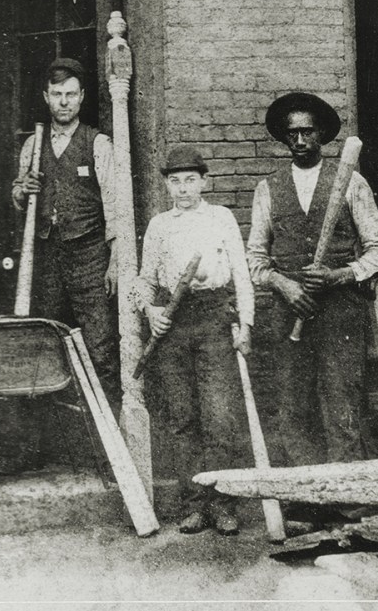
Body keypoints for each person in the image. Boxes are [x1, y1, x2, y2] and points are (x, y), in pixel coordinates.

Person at [246, 92, 378, 466]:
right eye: (292, 134)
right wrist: (284, 284)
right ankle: (306, 503)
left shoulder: (351, 182)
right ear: (283, 137)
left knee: (342, 402)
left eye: (308, 132)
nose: (300, 141)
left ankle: (345, 501)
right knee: (294, 405)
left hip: (341, 310)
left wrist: (340, 275)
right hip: (290, 307)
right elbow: (256, 259)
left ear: (322, 134)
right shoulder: (268, 188)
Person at [135, 147, 253, 536]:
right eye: (175, 180)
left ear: (204, 181)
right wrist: (151, 311)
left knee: (219, 416)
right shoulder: (159, 225)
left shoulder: (221, 218)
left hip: (214, 318)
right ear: (166, 184)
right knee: (182, 418)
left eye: (190, 180)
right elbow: (144, 280)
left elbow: (242, 275)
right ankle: (194, 505)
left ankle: (223, 506)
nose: (182, 188)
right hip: (173, 322)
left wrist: (246, 325)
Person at [12, 58, 123, 406]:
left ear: (82, 97)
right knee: (45, 339)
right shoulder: (33, 144)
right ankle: (48, 434)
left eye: (71, 94)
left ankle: (107, 434)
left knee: (100, 344)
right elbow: (19, 197)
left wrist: (115, 261)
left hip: (90, 255)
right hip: (47, 255)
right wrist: (21, 190)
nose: (64, 102)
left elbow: (115, 208)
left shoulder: (98, 144)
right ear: (46, 97)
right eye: (57, 94)